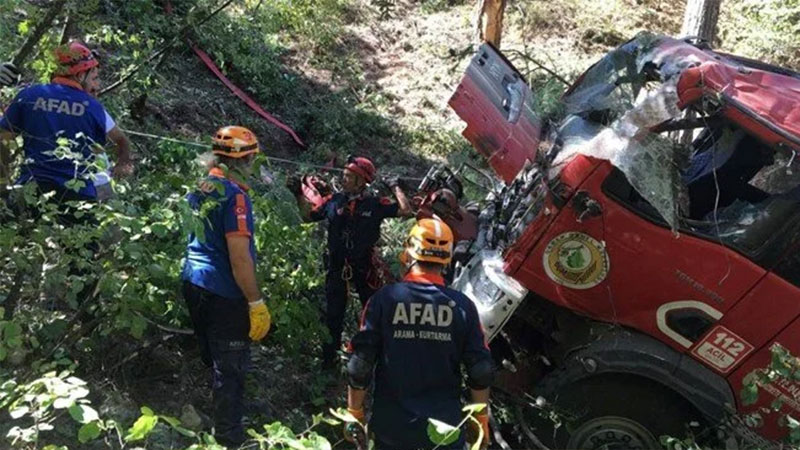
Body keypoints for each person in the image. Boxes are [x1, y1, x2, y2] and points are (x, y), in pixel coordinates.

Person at [345, 218, 495, 450]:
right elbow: (480, 370)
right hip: (445, 431)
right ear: (447, 256)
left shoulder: (384, 300)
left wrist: (355, 412)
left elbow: (360, 365)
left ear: (409, 250)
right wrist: (480, 419)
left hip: (391, 431)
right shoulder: (463, 307)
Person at [180, 125, 271, 447]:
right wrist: (255, 302)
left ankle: (220, 417)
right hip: (223, 290)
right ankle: (229, 437)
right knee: (230, 368)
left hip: (193, 280)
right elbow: (240, 259)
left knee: (215, 359)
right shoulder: (235, 197)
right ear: (244, 160)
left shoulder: (202, 184)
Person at [291, 155, 413, 369]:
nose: (344, 179)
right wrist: (298, 194)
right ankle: (329, 363)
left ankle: (372, 358)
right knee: (333, 315)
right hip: (337, 266)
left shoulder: (374, 204)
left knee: (373, 311)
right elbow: (307, 217)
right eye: (344, 175)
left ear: (361, 181)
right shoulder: (334, 201)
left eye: (349, 176)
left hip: (364, 266)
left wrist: (395, 187)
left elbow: (405, 210)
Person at [0, 42, 133, 201]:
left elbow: (3, 143)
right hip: (79, 197)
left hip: (31, 191)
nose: (96, 86)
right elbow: (121, 140)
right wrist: (123, 164)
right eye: (93, 78)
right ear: (79, 76)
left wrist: (2, 186)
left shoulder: (28, 96)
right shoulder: (92, 107)